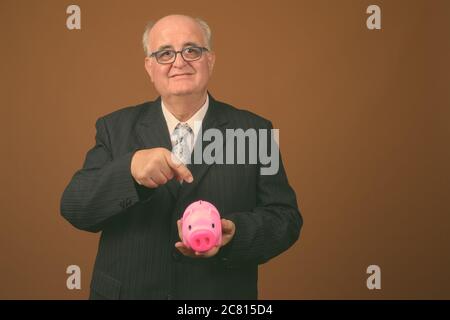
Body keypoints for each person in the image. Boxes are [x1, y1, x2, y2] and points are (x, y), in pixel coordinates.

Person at [60, 14, 303, 300]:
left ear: (210, 60)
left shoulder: (257, 131)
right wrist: (129, 171)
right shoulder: (113, 128)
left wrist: (234, 233)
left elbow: (284, 219)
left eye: (192, 50)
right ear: (149, 67)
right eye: (164, 53)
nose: (179, 62)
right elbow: (75, 207)